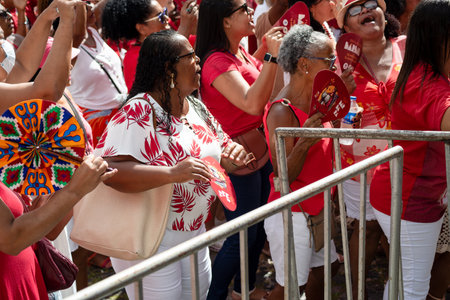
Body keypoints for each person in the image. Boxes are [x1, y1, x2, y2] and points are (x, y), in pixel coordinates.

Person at [97, 29, 251, 300]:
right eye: (191, 56)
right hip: (152, 236)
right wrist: (171, 174)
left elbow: (221, 149)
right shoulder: (139, 110)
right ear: (169, 68)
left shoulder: (194, 106)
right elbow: (109, 171)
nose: (199, 61)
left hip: (194, 232)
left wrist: (232, 155)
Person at [0, 0, 116, 298]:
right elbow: (46, 91)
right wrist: (64, 21)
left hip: (25, 273)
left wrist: (49, 15)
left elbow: (24, 66)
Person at [196, 0, 283, 298]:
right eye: (243, 9)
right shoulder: (215, 62)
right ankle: (215, 295)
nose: (250, 13)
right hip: (235, 159)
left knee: (255, 231)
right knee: (240, 236)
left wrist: (269, 54)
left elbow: (261, 80)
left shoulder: (239, 52)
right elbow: (251, 102)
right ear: (224, 22)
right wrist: (271, 55)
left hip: (257, 151)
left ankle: (243, 290)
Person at [263, 24, 354, 300]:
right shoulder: (282, 111)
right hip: (292, 213)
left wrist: (341, 121)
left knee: (328, 267)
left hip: (315, 207)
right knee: (291, 288)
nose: (334, 68)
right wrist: (306, 140)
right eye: (329, 62)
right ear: (304, 65)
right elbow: (284, 176)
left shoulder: (317, 102)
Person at [369, 1, 450, 299]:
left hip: (407, 192)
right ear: (440, 38)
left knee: (405, 279)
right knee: (413, 286)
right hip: (409, 198)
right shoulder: (425, 83)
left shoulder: (425, 72)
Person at [335, 0, 404, 297]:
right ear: (346, 28)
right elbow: (327, 115)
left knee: (400, 230)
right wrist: (340, 91)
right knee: (367, 229)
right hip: (359, 164)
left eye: (372, 4)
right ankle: (355, 293)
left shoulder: (408, 48)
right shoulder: (338, 64)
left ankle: (400, 288)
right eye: (355, 9)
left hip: (405, 158)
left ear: (384, 15)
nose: (366, 10)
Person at [101, 0, 198, 91]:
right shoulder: (134, 58)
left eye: (165, 12)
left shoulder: (161, 45)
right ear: (142, 28)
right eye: (161, 16)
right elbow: (162, 87)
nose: (167, 19)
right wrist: (185, 27)